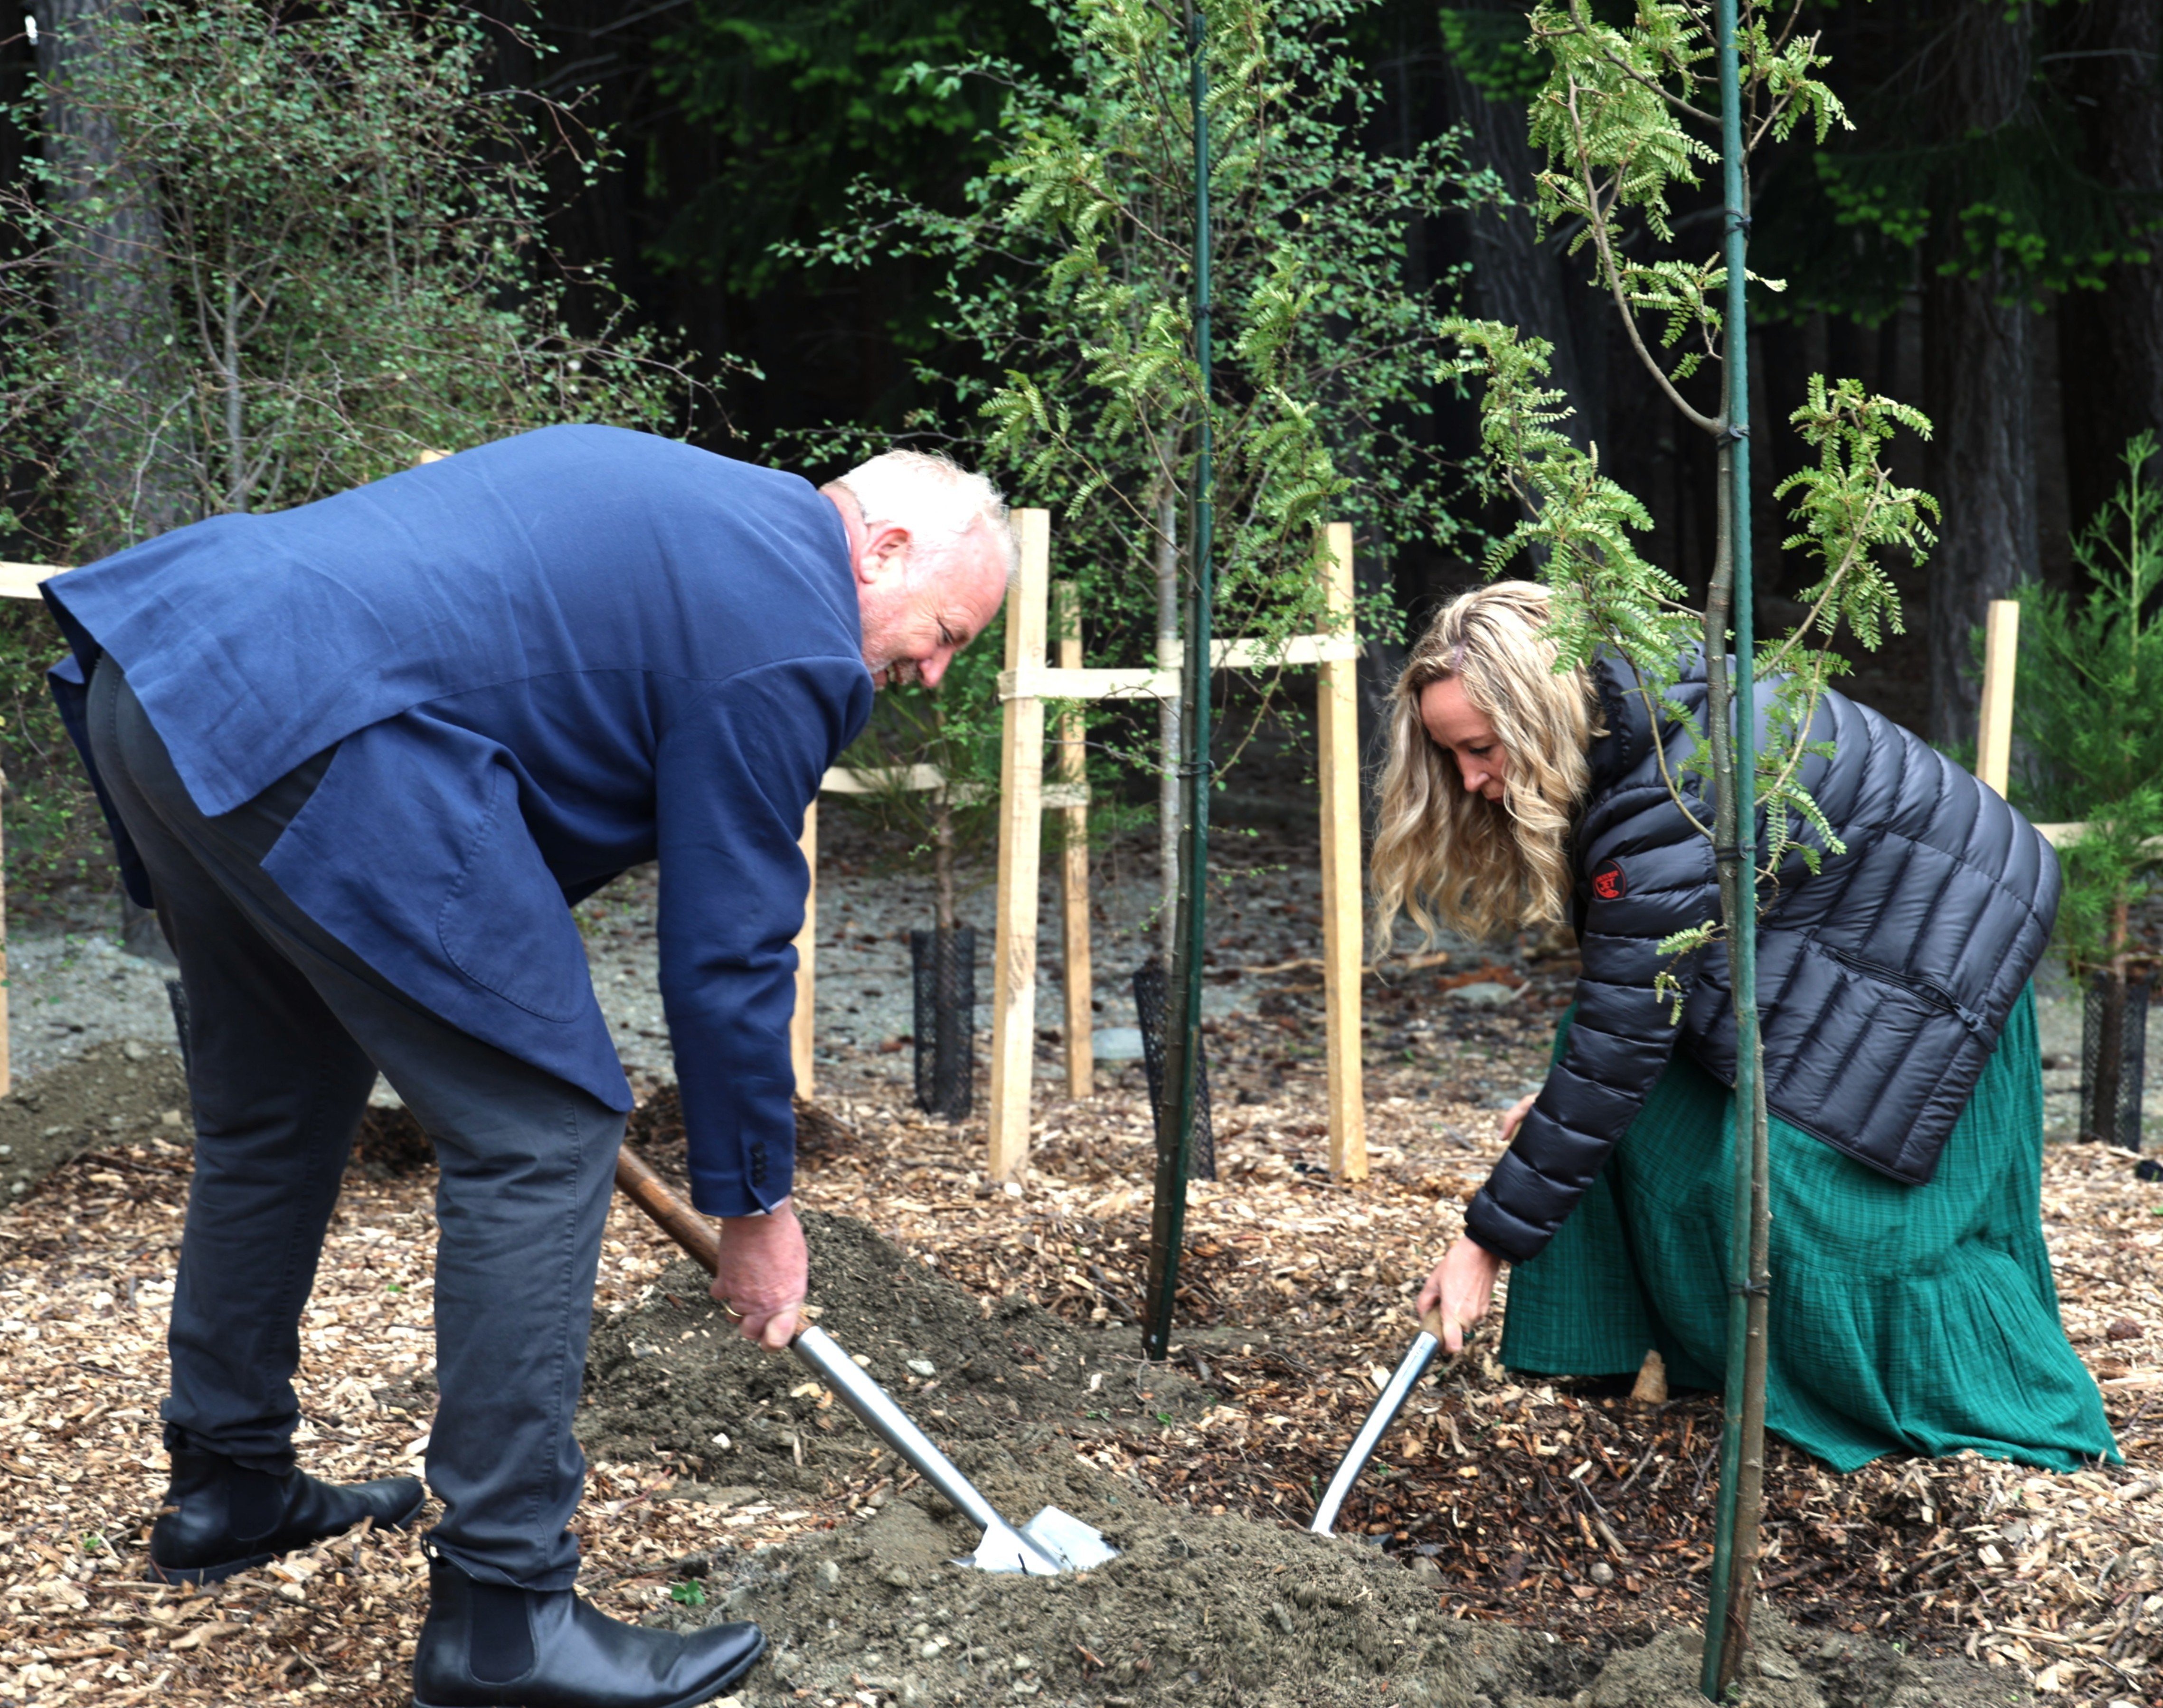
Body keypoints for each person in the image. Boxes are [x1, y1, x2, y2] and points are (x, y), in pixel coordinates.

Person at [43, 429, 1015, 1708]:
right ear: (882, 548)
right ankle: (504, 1615)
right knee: (545, 1130)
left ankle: (228, 1484)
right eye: (944, 632)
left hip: (172, 676)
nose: (932, 672)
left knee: (278, 1107)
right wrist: (755, 1205)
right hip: (327, 727)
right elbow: (729, 946)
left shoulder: (709, 523)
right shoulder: (790, 626)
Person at [1378, 581, 2116, 1472]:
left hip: (1940, 956)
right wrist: (1580, 1105)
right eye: (1452, 754)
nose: (1469, 780)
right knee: (1621, 1096)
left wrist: (1484, 1245)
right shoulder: (1633, 732)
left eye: (1480, 748)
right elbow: (1629, 1003)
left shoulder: (1674, 784)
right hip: (1839, 946)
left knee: (1803, 1199)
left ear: (1537, 711)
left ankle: (1993, 1409)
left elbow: (1627, 1024)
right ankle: (1644, 1353)